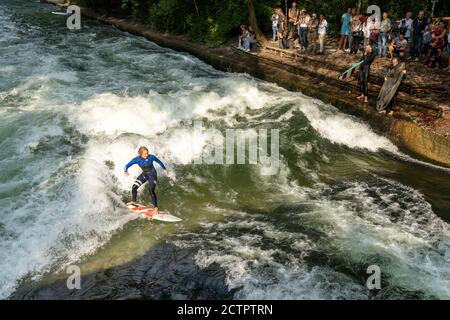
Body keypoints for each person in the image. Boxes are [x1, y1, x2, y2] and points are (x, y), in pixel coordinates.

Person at [124, 146, 168, 214]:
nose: (147, 155)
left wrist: (164, 169)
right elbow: (126, 165)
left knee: (151, 190)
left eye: (147, 153)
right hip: (144, 175)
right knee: (134, 187)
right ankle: (133, 201)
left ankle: (156, 208)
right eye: (145, 154)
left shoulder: (151, 157)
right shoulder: (137, 159)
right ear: (140, 154)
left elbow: (159, 161)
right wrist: (125, 171)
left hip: (152, 175)